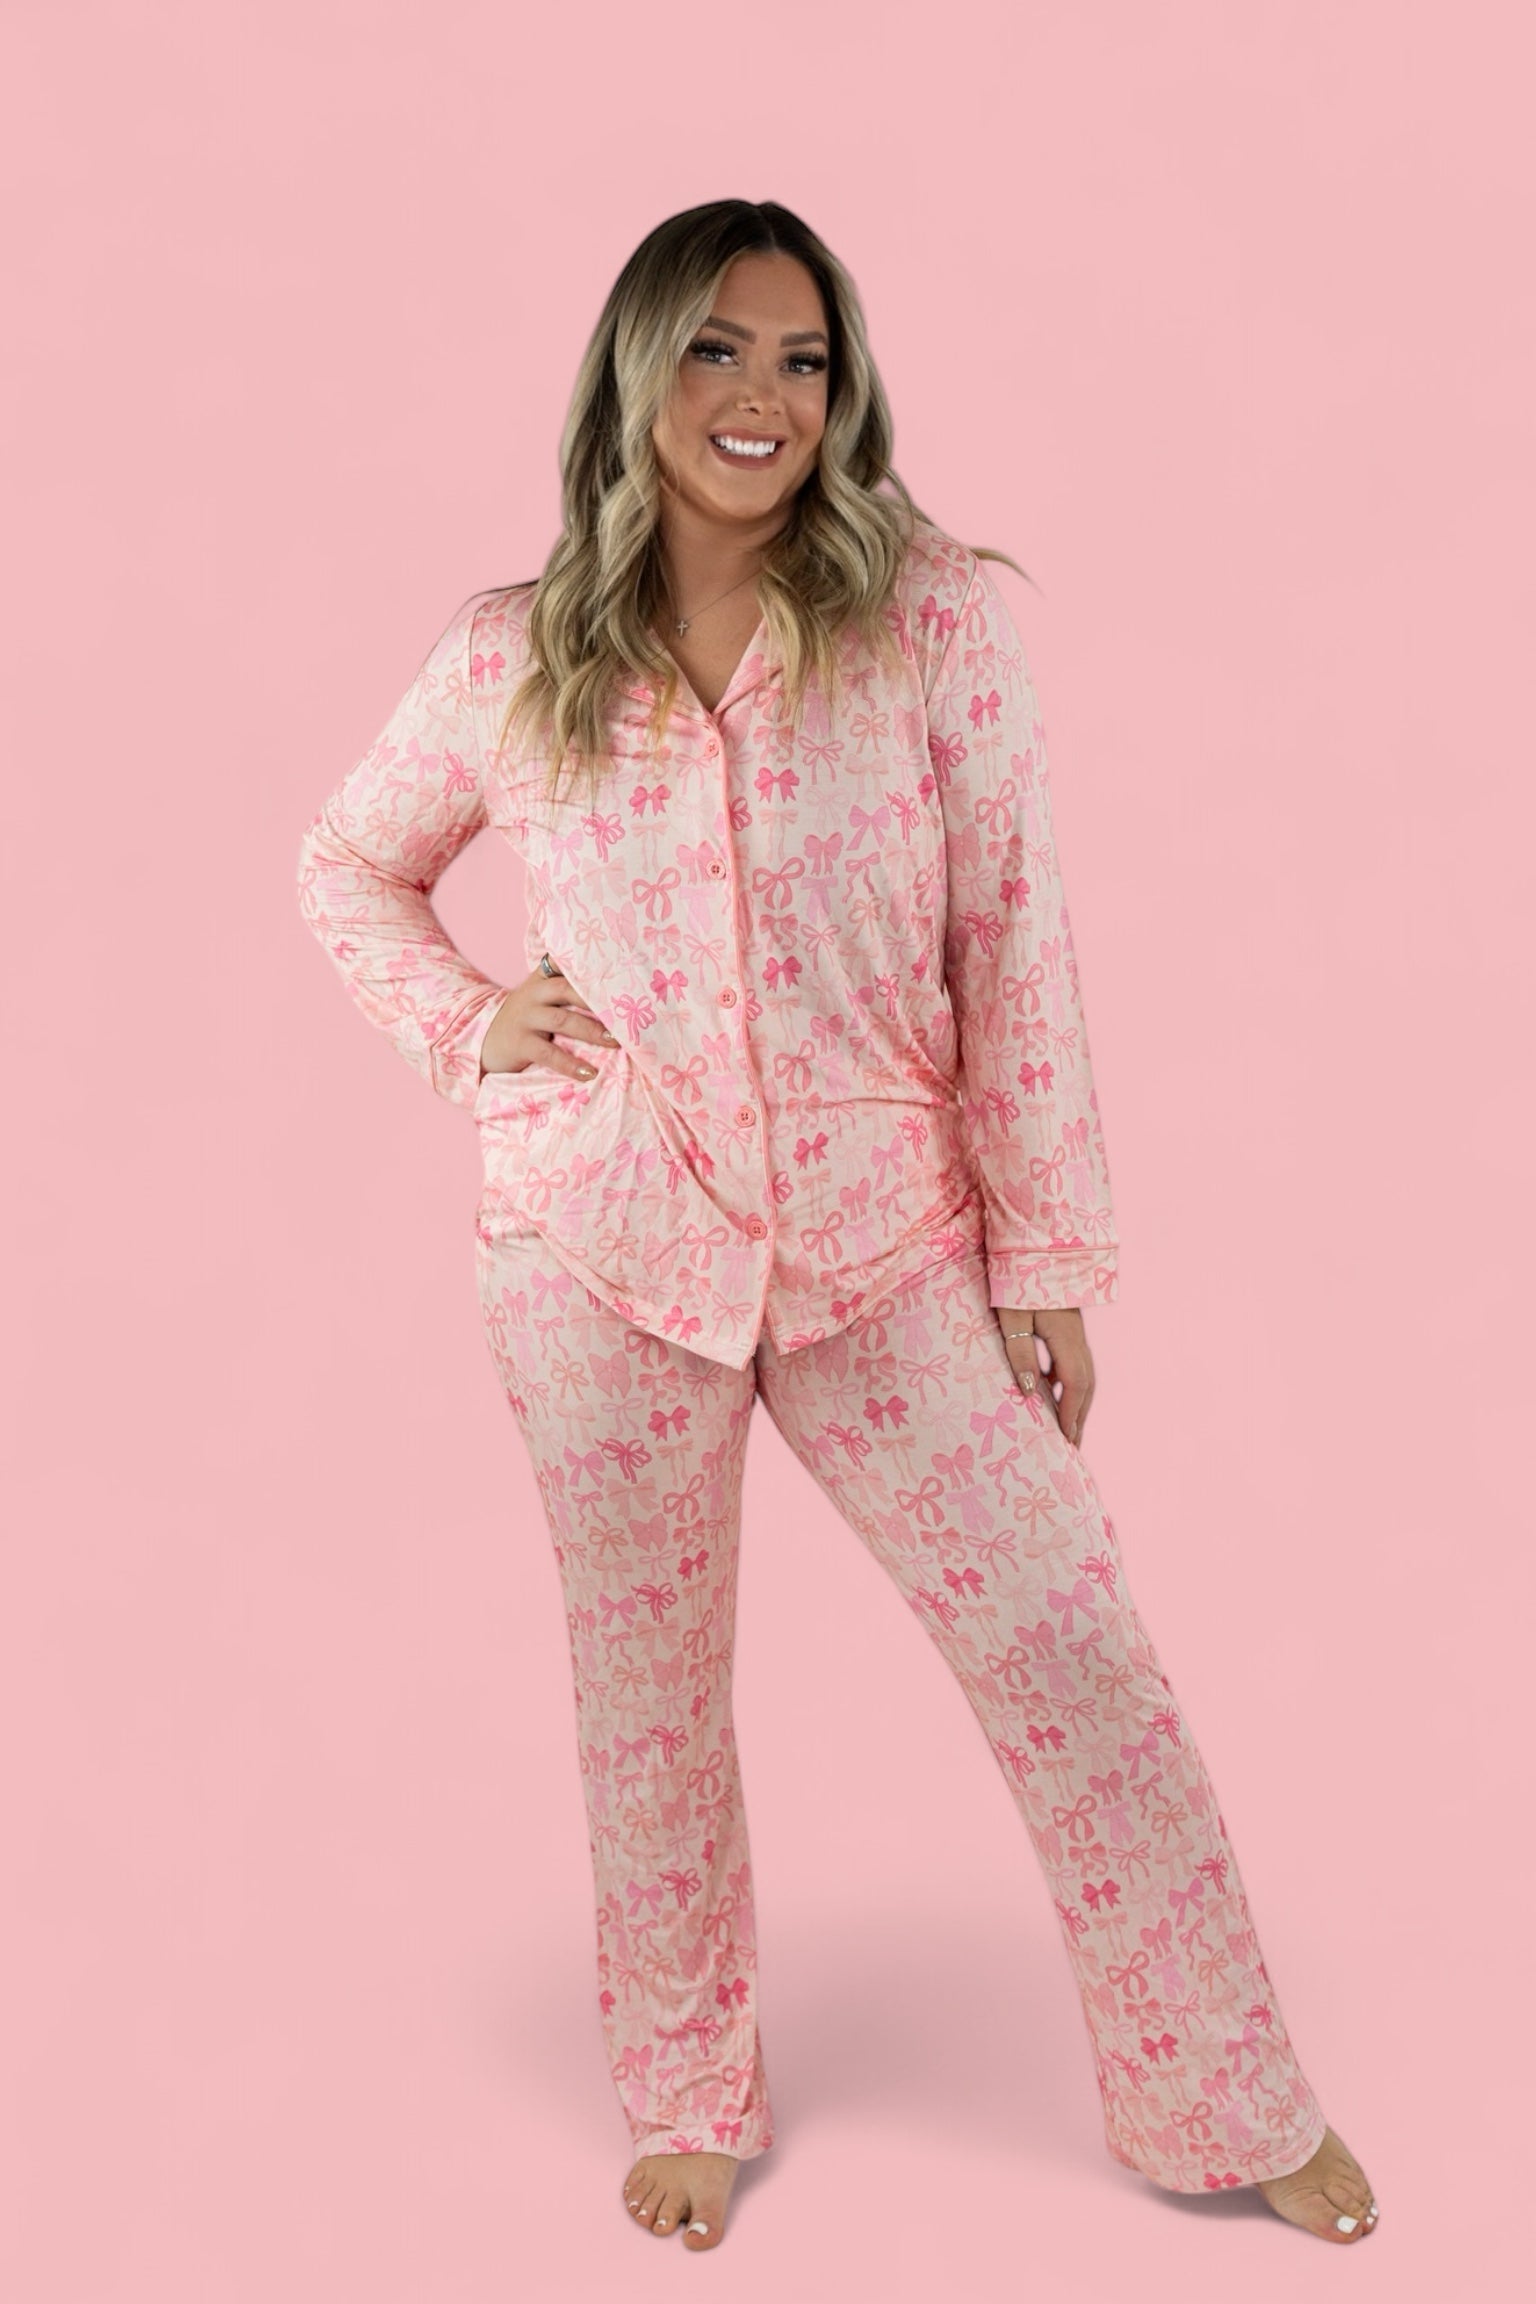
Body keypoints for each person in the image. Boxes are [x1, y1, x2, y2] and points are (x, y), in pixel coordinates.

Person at [295, 199, 1376, 2254]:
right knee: (648, 1704)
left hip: (889, 1244)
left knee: (1070, 1640)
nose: (765, 398)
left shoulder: (935, 622)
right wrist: (468, 1026)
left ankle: (1223, 2093)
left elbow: (1013, 942)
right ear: (639, 372)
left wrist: (1047, 1261)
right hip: (602, 1245)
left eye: (804, 361)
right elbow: (349, 867)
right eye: (719, 350)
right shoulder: (512, 655)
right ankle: (689, 2092)